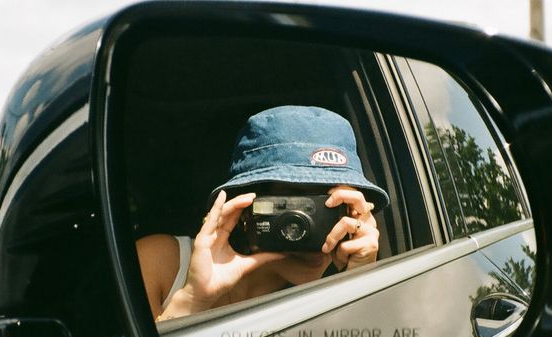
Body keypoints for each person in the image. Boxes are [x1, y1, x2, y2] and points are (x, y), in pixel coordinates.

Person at [136, 105, 390, 322]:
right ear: (244, 208)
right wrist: (193, 298)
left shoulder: (334, 290)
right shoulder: (159, 262)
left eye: (329, 207)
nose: (305, 225)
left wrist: (360, 280)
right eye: (290, 205)